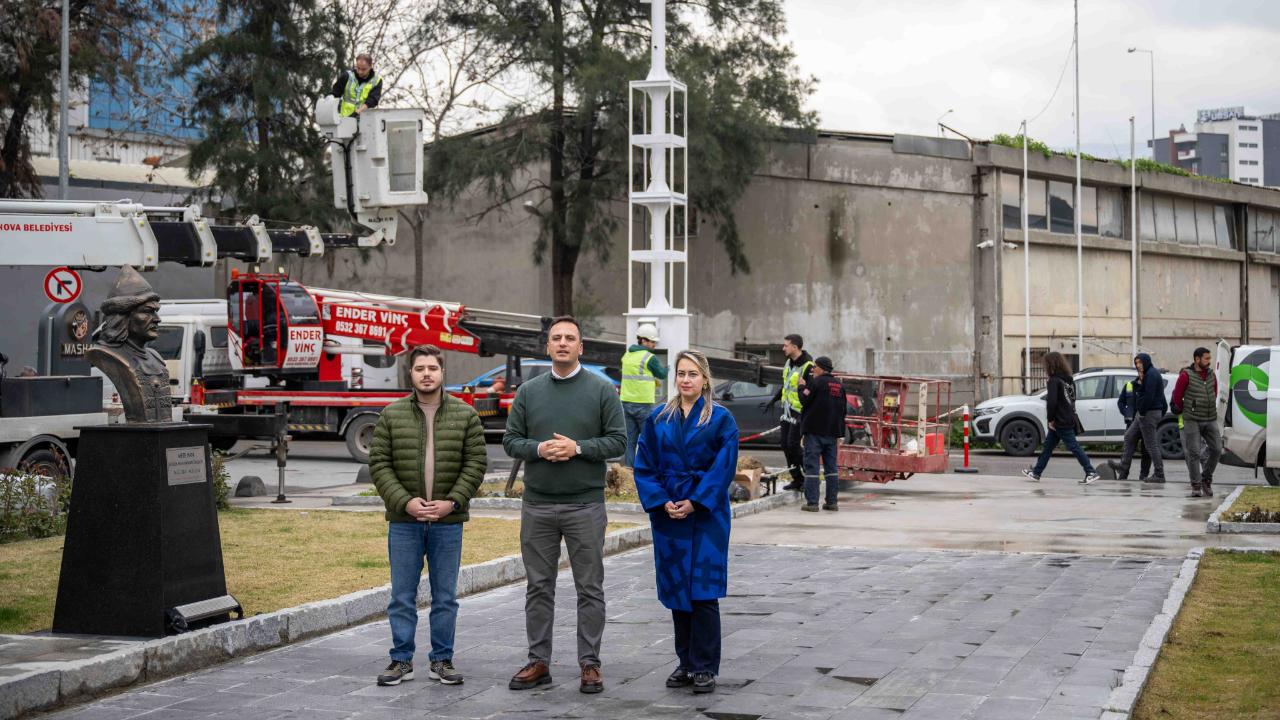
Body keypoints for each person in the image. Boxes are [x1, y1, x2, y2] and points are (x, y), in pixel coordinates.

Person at [503, 316, 627, 694]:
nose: (562, 343)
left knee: (589, 587)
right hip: (538, 505)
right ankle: (538, 661)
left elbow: (618, 442)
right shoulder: (528, 392)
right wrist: (539, 449)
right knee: (539, 586)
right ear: (547, 346)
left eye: (569, 338)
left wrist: (579, 448)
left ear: (581, 347)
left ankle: (590, 663)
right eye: (556, 338)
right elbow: (511, 442)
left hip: (584, 505)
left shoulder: (602, 390)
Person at [368, 345, 487, 687]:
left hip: (447, 523)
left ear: (442, 372)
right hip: (405, 523)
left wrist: (454, 501)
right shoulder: (391, 415)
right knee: (401, 595)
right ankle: (400, 660)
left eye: (432, 367)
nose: (426, 373)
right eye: (419, 368)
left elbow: (476, 464)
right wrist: (404, 502)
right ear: (411, 373)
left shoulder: (465, 415)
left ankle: (442, 660)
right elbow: (379, 464)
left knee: (445, 596)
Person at [633, 350, 738, 695]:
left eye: (692, 373)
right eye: (681, 373)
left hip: (706, 514)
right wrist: (662, 501)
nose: (686, 379)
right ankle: (685, 662)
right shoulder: (659, 418)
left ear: (705, 379)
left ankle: (705, 665)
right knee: (678, 590)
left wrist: (695, 502)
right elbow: (645, 464)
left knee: (703, 592)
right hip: (669, 514)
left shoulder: (721, 419)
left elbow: (723, 468)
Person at [1022, 351, 1100, 484]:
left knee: (1074, 446)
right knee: (1048, 446)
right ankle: (1036, 472)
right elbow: (1073, 398)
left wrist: (1051, 419)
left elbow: (1051, 402)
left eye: (1045, 364)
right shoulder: (1069, 380)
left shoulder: (1054, 381)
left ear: (1051, 365)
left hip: (1060, 420)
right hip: (1068, 417)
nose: (1044, 367)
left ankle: (1090, 471)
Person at [1172, 347, 1222, 498]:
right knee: (1193, 453)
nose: (1209, 361)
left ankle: (1206, 478)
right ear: (1197, 359)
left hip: (1210, 418)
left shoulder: (1211, 375)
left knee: (1217, 449)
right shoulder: (1186, 375)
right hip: (1192, 420)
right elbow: (1177, 396)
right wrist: (1186, 410)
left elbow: (1215, 392)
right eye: (1206, 359)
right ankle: (1196, 485)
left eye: (1209, 358)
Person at [766, 334, 814, 492]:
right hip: (786, 410)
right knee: (785, 445)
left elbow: (810, 392)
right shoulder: (788, 362)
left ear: (795, 347)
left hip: (799, 412)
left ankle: (809, 476)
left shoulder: (808, 366)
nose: (783, 348)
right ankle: (797, 479)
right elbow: (786, 385)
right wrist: (774, 399)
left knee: (793, 445)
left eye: (786, 345)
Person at [799, 356, 846, 512]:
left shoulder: (815, 383)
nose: (812, 370)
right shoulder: (839, 385)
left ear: (821, 368)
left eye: (815, 367)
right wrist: (840, 433)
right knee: (831, 468)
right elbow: (843, 410)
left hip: (814, 432)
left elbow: (803, 399)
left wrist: (801, 387)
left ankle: (812, 503)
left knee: (812, 466)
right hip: (832, 433)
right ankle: (832, 502)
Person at [1113, 353, 1167, 482]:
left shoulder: (1152, 375)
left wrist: (1142, 412)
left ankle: (1159, 474)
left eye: (1140, 363)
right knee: (1129, 436)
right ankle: (1123, 466)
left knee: (1150, 445)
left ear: (1146, 362)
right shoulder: (1146, 375)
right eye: (1136, 363)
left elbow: (1149, 396)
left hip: (1147, 413)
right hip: (1143, 413)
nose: (1138, 365)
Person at [621, 322, 668, 467]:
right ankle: (650, 470)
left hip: (626, 403)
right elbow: (661, 374)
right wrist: (668, 368)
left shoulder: (627, 355)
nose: (654, 345)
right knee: (650, 439)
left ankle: (628, 473)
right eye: (652, 341)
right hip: (643, 405)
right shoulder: (649, 357)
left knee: (630, 442)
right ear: (643, 340)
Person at [1114, 375, 1152, 480]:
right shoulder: (1129, 385)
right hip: (1131, 424)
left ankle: (1143, 476)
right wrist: (1126, 412)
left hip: (1146, 424)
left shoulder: (1150, 386)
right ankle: (1123, 475)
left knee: (1146, 452)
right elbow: (1120, 402)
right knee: (1128, 450)